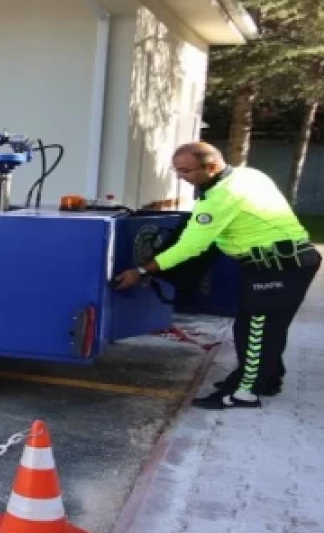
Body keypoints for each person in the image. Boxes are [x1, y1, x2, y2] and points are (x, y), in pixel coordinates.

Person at [115, 142, 320, 410]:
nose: (180, 177)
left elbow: (191, 246)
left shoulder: (221, 196)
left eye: (185, 171)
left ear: (210, 167)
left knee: (256, 328)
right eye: (177, 170)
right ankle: (267, 380)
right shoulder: (248, 175)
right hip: (282, 262)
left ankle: (245, 393)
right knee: (266, 326)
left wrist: (142, 270)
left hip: (277, 266)